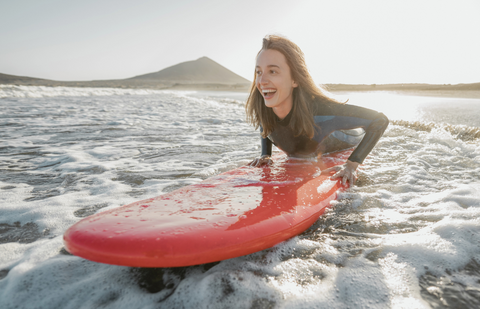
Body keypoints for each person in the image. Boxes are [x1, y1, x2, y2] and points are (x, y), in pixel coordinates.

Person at [246, 35, 389, 185]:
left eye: (273, 71)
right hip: (311, 143)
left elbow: (379, 120)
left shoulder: (321, 112)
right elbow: (266, 126)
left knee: (359, 129)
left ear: (295, 79)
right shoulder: (265, 106)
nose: (262, 81)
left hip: (348, 136)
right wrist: (265, 154)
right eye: (259, 72)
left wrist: (352, 164)